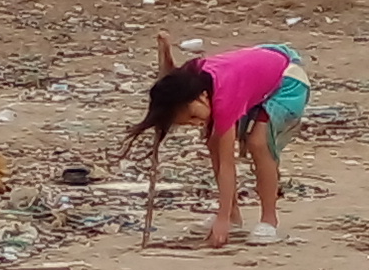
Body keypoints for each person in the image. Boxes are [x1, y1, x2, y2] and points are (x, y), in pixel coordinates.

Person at [124, 37, 309, 249]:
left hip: (287, 79)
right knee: (214, 141)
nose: (197, 123)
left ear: (202, 97)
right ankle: (233, 215)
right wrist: (166, 54)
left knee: (259, 142)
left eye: (194, 116)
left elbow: (227, 165)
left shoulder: (223, 97)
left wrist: (220, 220)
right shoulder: (191, 79)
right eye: (189, 123)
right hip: (256, 74)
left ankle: (269, 220)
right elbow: (171, 82)